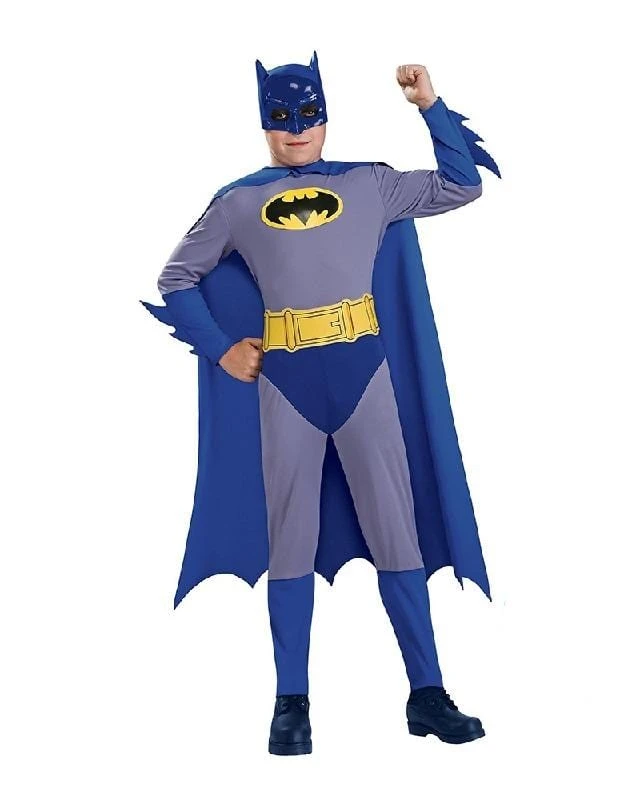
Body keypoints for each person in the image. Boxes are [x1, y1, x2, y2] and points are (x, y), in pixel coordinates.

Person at [141, 51, 500, 756]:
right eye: (281, 117)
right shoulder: (237, 202)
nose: (297, 128)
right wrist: (220, 347)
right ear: (264, 125)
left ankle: (427, 693)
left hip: (365, 375)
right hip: (288, 385)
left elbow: (462, 183)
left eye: (308, 114)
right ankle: (291, 703)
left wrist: (429, 105)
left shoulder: (370, 184)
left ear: (327, 116)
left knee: (397, 532)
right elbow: (176, 277)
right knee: (290, 541)